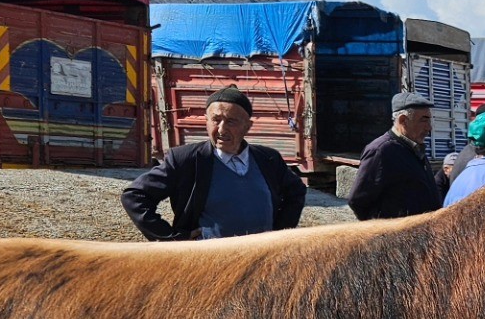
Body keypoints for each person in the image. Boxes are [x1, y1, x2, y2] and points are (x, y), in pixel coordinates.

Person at [121, 85, 306, 241]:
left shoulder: (268, 159)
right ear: (206, 121)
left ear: (247, 126)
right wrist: (173, 239)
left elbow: (296, 191)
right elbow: (135, 196)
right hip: (210, 261)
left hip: (261, 258)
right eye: (216, 120)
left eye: (231, 121)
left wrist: (280, 234)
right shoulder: (186, 160)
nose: (222, 129)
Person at [346, 92, 441, 221]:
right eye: (423, 120)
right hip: (399, 237)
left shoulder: (415, 148)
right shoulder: (381, 151)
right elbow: (357, 200)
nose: (429, 127)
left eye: (429, 120)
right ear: (403, 120)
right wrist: (384, 232)